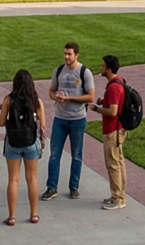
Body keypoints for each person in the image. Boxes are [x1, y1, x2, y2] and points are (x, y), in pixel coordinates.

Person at [41, 42, 95, 202]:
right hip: (60, 119)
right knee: (54, 155)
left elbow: (91, 96)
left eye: (69, 54)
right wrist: (55, 96)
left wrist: (70, 98)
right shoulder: (58, 71)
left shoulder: (84, 72)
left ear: (76, 55)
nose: (66, 57)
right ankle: (51, 187)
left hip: (77, 119)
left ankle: (74, 187)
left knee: (76, 155)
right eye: (65, 53)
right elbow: (51, 90)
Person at [0, 69, 46, 226]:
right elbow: (43, 123)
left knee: (13, 179)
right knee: (32, 178)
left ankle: (11, 216)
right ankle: (34, 214)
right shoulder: (36, 100)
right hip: (31, 141)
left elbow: (1, 123)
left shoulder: (8, 100)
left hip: (13, 142)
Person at [92, 54, 129, 210]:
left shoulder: (113, 87)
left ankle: (118, 198)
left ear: (108, 69)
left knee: (113, 164)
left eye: (102, 66)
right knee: (119, 162)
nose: (100, 68)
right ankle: (119, 194)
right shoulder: (119, 82)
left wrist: (96, 108)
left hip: (113, 130)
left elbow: (113, 111)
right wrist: (103, 101)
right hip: (119, 129)